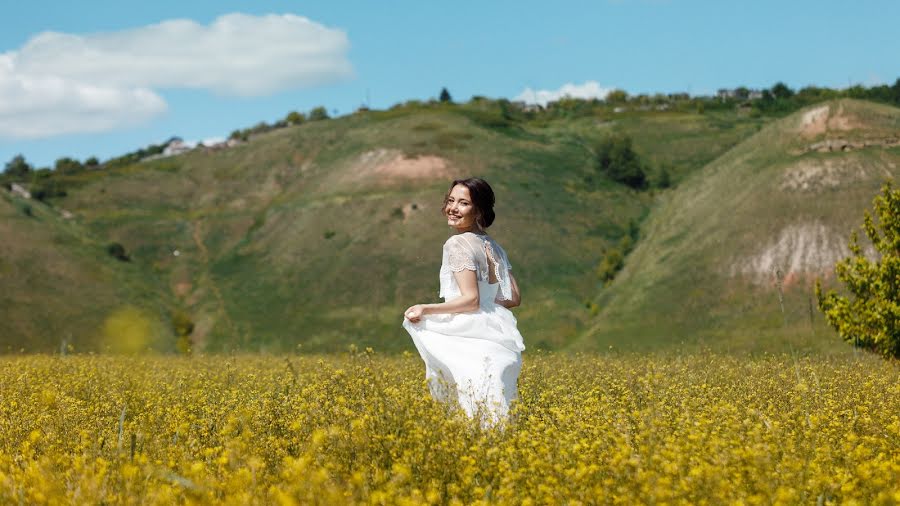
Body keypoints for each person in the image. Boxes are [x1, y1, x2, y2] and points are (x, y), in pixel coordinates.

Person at [403, 177, 524, 426]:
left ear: (478, 210)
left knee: (465, 408)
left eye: (463, 203)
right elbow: (513, 297)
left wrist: (425, 308)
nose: (453, 208)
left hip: (466, 333)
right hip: (496, 334)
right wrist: (488, 305)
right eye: (450, 201)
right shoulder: (495, 246)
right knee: (492, 406)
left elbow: (470, 301)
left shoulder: (457, 243)